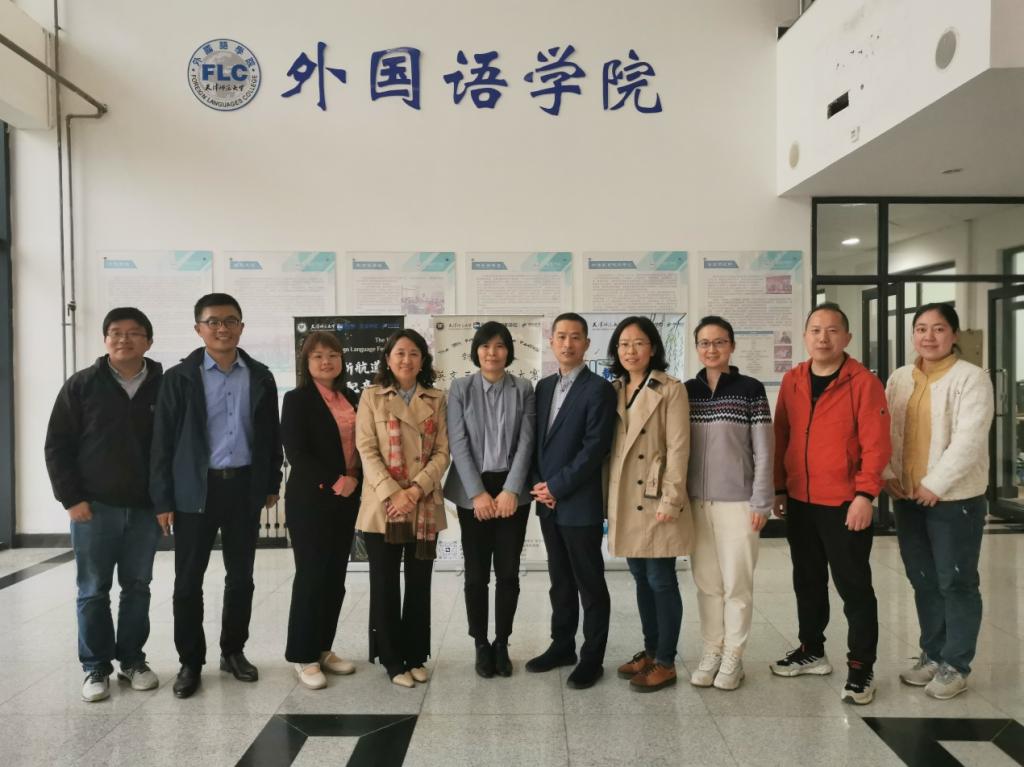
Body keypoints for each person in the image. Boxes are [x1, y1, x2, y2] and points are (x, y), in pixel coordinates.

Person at [150, 293, 283, 699]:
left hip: (243, 488)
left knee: (241, 577)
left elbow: (270, 434)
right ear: (199, 329)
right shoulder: (179, 378)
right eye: (213, 322)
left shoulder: (260, 376)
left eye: (230, 321)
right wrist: (163, 500)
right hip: (195, 490)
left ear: (241, 327)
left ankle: (233, 651)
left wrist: (271, 482)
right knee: (188, 581)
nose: (222, 328)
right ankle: (190, 661)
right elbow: (162, 443)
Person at [770, 302, 891, 705]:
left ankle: (861, 667)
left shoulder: (863, 383)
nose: (823, 337)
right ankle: (812, 650)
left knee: (854, 587)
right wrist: (780, 488)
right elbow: (782, 435)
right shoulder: (793, 380)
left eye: (832, 330)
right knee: (807, 580)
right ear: (805, 336)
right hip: (801, 501)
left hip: (845, 503)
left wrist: (865, 496)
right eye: (816, 330)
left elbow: (876, 445)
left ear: (847, 337)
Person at [44, 308, 164, 702]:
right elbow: (57, 445)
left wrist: (166, 500)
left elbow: (174, 447)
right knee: (93, 589)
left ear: (148, 340)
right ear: (105, 339)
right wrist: (71, 498)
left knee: (138, 587)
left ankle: (132, 660)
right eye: (115, 332)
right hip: (93, 508)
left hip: (145, 509)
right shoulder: (82, 385)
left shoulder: (165, 386)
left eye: (133, 333)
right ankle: (95, 667)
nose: (124, 339)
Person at [883, 303, 993, 700]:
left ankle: (956, 665)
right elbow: (886, 429)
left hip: (953, 501)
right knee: (924, 581)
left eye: (939, 328)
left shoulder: (972, 378)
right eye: (921, 328)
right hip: (908, 497)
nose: (928, 336)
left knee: (956, 581)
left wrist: (936, 483)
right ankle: (932, 653)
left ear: (954, 335)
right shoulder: (900, 378)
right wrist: (888, 473)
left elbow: (969, 440)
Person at [355, 329, 450, 688]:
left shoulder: (437, 398)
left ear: (423, 360)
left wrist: (415, 489)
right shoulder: (372, 397)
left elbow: (443, 451)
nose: (406, 360)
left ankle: (415, 655)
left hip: (423, 504)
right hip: (384, 507)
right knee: (384, 584)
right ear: (388, 358)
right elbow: (366, 449)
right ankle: (393, 660)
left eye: (413, 353)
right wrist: (394, 493)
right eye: (399, 353)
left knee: (419, 583)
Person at [526, 312, 616, 690]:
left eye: (575, 337)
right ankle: (561, 645)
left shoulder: (599, 389)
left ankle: (592, 657)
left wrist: (557, 487)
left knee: (589, 583)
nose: (567, 343)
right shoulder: (543, 387)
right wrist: (538, 485)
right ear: (551, 342)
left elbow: (594, 448)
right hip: (548, 503)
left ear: (587, 344)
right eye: (561, 336)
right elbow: (534, 442)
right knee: (559, 580)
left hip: (579, 503)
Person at [685, 316, 773, 691]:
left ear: (732, 346)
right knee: (707, 584)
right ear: (696, 348)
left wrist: (761, 501)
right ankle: (712, 650)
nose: (712, 349)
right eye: (704, 343)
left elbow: (764, 450)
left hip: (739, 502)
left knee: (737, 584)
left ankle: (734, 656)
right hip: (696, 504)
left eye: (719, 342)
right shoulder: (687, 391)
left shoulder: (750, 389)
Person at [605, 316, 692, 692]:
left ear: (653, 348)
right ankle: (651, 650)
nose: (631, 351)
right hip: (625, 497)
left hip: (656, 496)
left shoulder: (670, 389)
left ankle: (667, 662)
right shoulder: (614, 389)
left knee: (661, 578)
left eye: (639, 343)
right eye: (624, 344)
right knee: (640, 577)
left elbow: (679, 448)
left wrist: (672, 499)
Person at [444, 321, 536, 678]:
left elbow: (527, 441)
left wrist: (512, 489)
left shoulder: (523, 389)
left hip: (513, 489)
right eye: (485, 346)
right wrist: (478, 493)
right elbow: (458, 441)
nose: (492, 352)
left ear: (508, 351)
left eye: (499, 346)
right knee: (476, 573)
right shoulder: (460, 388)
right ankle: (481, 643)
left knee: (509, 573)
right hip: (474, 490)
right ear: (476, 351)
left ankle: (502, 643)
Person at [282, 332, 362, 690]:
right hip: (312, 500)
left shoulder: (352, 398)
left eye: (332, 354)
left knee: (334, 578)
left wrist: (355, 479)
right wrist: (335, 480)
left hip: (347, 497)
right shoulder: (297, 400)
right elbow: (296, 452)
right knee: (312, 576)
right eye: (317, 356)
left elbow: (363, 446)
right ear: (307, 362)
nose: (326, 361)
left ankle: (323, 647)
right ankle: (302, 655)